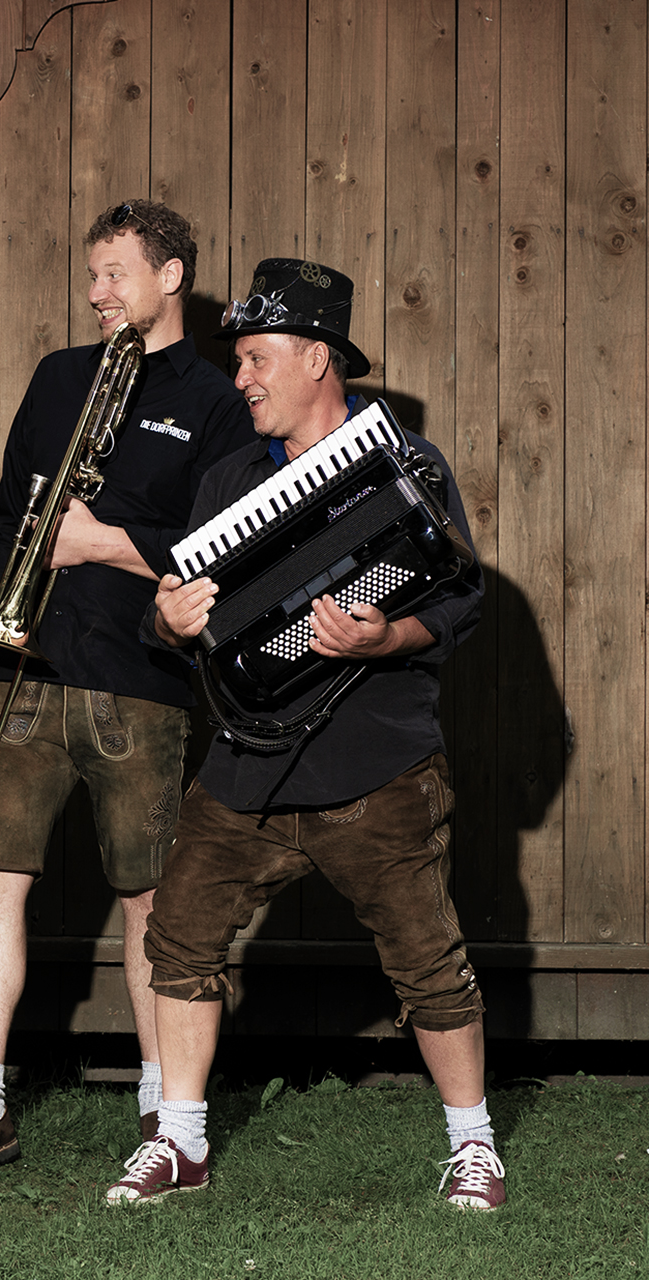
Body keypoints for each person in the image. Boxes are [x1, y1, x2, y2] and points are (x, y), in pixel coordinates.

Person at [105, 258, 501, 1211]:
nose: (240, 378)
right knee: (179, 941)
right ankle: (181, 1141)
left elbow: (462, 600)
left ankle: (474, 1144)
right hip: (247, 763)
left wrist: (384, 636)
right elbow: (171, 623)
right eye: (238, 359)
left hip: (377, 762)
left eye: (256, 358)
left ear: (318, 358)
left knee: (427, 961)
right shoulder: (228, 478)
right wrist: (169, 619)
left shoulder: (407, 463)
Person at [0, 201, 256, 1183]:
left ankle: (163, 1100)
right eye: (94, 274)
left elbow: (225, 546)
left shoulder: (216, 398)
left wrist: (104, 541)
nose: (98, 291)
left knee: (151, 896)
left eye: (117, 273)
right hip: (25, 666)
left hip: (142, 679)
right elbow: (10, 512)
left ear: (171, 275)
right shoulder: (61, 375)